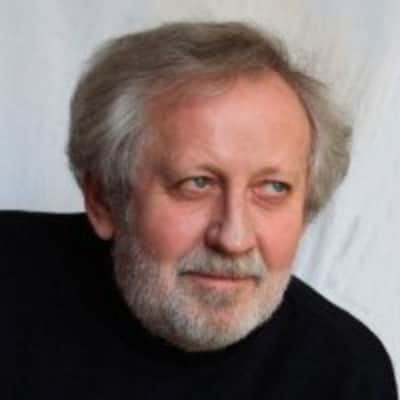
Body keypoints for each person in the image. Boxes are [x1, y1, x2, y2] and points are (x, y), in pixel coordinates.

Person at [1, 21, 397, 399]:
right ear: (104, 200)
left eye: (273, 188)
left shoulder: (346, 374)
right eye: (197, 183)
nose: (234, 239)